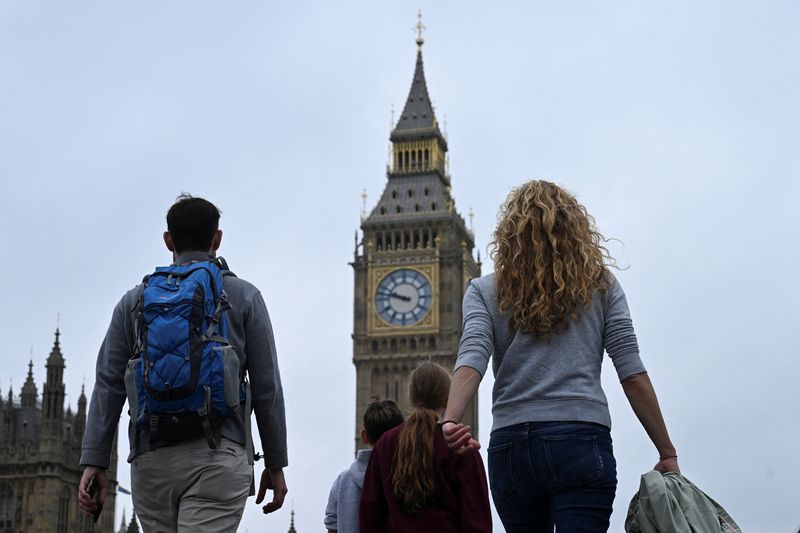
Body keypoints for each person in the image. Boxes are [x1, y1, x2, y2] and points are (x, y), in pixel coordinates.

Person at [441, 180, 680, 532]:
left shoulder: (484, 290)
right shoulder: (602, 285)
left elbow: (472, 355)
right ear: (575, 229)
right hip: (581, 439)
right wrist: (666, 451)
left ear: (509, 233)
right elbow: (631, 372)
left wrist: (450, 419)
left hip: (510, 445)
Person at [77, 194, 288, 532]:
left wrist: (94, 459)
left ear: (168, 240)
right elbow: (267, 387)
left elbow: (108, 382)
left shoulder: (134, 301)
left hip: (151, 460)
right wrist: (275, 462)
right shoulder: (245, 296)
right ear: (217, 238)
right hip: (219, 456)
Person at [360, 362, 492, 533]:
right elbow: (476, 517)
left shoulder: (385, 443)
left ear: (411, 398)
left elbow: (370, 514)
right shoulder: (460, 443)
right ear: (447, 400)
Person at [324, 399, 404, 533]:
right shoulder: (409, 475)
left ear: (364, 436)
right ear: (402, 435)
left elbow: (332, 527)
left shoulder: (341, 482)